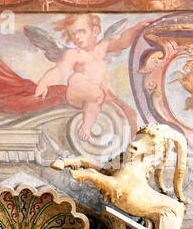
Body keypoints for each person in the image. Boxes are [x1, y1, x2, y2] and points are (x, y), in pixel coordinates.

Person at [33, 13, 152, 141]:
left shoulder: (103, 46)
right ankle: (86, 126)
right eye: (73, 34)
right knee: (93, 91)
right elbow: (59, 70)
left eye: (81, 31)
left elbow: (122, 41)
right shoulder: (73, 54)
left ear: (95, 31)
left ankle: (128, 145)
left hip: (103, 93)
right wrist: (44, 82)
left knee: (130, 113)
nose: (77, 37)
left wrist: (136, 29)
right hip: (79, 90)